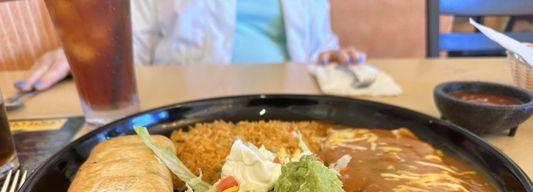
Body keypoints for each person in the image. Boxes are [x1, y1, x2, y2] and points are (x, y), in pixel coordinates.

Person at [16, 0, 366, 92]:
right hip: (189, 105)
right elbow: (133, 44)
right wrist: (89, 54)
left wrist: (331, 55)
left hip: (290, 104)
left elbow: (318, 43)